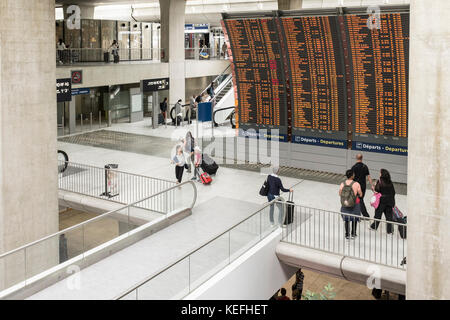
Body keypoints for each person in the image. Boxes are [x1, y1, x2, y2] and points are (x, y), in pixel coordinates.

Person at [370, 169, 396, 234]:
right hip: (390, 201)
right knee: (389, 216)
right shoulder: (390, 182)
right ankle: (389, 231)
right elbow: (393, 192)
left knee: (378, 215)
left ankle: (374, 227)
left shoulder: (380, 181)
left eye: (380, 173)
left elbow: (377, 190)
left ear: (382, 174)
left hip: (382, 201)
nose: (379, 174)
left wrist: (373, 188)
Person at [339, 169, 363, 240]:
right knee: (354, 219)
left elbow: (340, 193)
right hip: (354, 204)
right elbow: (361, 194)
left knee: (346, 219)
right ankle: (353, 233)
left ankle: (347, 234)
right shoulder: (356, 184)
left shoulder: (342, 183)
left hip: (345, 203)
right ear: (352, 176)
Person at [351, 154, 374, 218]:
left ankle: (365, 215)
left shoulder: (354, 167)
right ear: (362, 158)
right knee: (360, 199)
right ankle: (359, 214)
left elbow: (351, 177)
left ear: (356, 158)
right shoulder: (365, 166)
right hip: (363, 186)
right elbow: (369, 177)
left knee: (359, 200)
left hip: (356, 186)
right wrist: (372, 185)